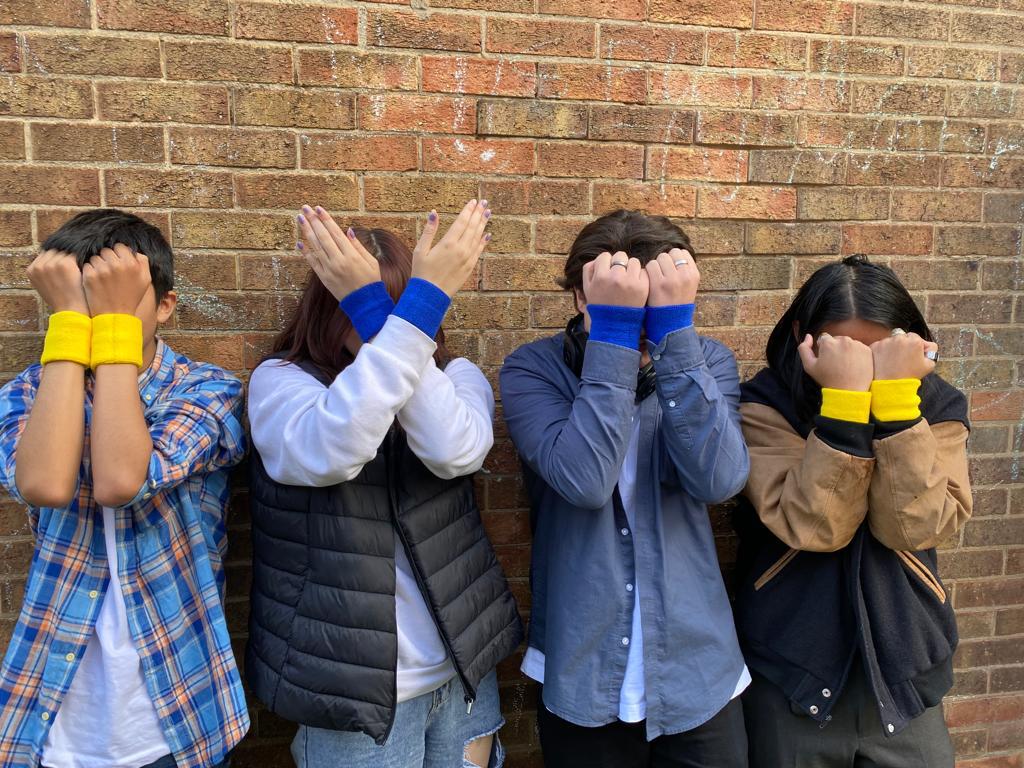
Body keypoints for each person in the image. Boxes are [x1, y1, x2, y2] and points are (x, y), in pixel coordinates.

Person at [245, 201, 523, 768]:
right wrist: (403, 314)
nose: (396, 325)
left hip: (461, 673)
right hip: (354, 696)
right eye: (365, 305)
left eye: (407, 307)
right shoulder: (280, 385)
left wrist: (378, 314)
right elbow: (331, 451)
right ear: (329, 308)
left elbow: (454, 451)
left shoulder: (458, 377)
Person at [500, 209, 751, 768]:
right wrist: (612, 338)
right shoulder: (532, 370)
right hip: (582, 671)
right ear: (580, 298)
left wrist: (674, 338)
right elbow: (585, 481)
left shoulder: (706, 360)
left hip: (698, 669)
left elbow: (719, 480)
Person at [0, 209, 248, 767]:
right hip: (56, 714)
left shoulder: (208, 390)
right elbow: (43, 483)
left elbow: (120, 479)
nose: (99, 318)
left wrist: (109, 333)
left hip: (179, 712)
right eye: (84, 304)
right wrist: (70, 326)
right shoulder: (28, 393)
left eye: (118, 302)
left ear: (164, 305)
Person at [732, 255, 971, 768]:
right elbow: (814, 525)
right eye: (846, 347)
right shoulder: (765, 405)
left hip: (905, 661)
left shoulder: (937, 406)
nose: (862, 364)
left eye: (877, 348)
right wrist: (842, 405)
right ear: (804, 336)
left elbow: (918, 524)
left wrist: (898, 407)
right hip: (791, 663)